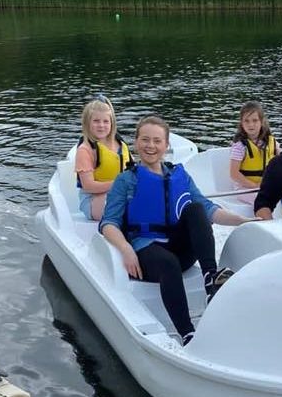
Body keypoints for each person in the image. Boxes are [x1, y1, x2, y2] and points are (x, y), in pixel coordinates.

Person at [100, 115, 253, 345]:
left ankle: (210, 277)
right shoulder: (126, 180)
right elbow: (108, 223)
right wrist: (125, 249)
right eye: (145, 140)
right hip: (146, 251)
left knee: (195, 208)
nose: (151, 146)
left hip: (180, 249)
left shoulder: (179, 175)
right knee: (168, 263)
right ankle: (188, 333)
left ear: (166, 145)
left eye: (157, 141)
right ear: (136, 142)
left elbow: (210, 210)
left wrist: (244, 221)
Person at [75, 96, 132, 221]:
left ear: (112, 123)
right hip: (93, 199)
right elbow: (88, 186)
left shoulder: (121, 144)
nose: (101, 125)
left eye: (106, 121)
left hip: (120, 193)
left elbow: (132, 170)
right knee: (117, 208)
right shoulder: (85, 150)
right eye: (96, 121)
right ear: (87, 123)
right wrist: (119, 185)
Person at [229, 101, 279, 192]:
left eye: (255, 120)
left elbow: (280, 164)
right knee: (263, 200)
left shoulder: (273, 143)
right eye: (246, 121)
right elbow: (234, 174)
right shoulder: (240, 146)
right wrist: (255, 186)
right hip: (245, 189)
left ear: (261, 121)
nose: (250, 125)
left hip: (267, 186)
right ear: (241, 123)